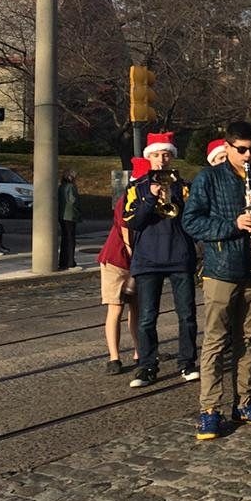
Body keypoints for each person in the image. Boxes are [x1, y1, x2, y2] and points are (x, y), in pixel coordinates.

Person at [182, 121, 251, 439]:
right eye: (241, 150)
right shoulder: (208, 179)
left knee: (249, 339)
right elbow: (192, 221)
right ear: (227, 147)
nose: (248, 155)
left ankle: (245, 402)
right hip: (222, 268)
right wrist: (233, 223)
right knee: (216, 341)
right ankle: (210, 409)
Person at [124, 131, 199, 388]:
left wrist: (175, 197)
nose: (161, 160)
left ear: (172, 158)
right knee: (146, 316)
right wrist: (150, 197)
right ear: (149, 157)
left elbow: (193, 220)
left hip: (179, 256)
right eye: (156, 155)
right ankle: (147, 365)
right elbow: (132, 222)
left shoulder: (185, 186)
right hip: (149, 259)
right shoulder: (137, 187)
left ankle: (187, 362)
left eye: (166, 155)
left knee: (187, 315)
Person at [98, 158, 146, 374]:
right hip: (117, 259)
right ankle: (114, 357)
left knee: (136, 308)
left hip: (136, 261)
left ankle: (139, 352)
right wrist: (136, 258)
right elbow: (126, 230)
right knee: (116, 307)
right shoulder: (128, 198)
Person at [57, 169, 82, 270]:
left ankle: (63, 261)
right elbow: (73, 201)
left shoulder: (61, 187)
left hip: (62, 215)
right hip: (70, 215)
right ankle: (70, 261)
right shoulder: (71, 187)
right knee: (71, 239)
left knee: (65, 238)